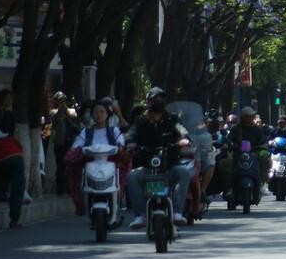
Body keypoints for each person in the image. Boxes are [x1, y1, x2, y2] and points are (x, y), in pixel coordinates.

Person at [125, 88, 193, 228]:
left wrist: (184, 139)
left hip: (169, 166)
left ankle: (177, 212)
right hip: (147, 167)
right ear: (148, 102)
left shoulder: (171, 118)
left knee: (184, 172)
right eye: (156, 99)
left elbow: (181, 129)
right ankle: (140, 215)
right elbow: (130, 134)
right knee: (131, 176)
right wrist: (130, 143)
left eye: (161, 99)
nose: (159, 102)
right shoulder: (140, 120)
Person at [66, 98, 128, 215]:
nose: (99, 115)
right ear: (92, 115)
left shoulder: (114, 131)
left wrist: (120, 148)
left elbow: (121, 144)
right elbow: (76, 146)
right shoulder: (86, 132)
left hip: (110, 164)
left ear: (107, 114)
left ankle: (117, 201)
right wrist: (75, 152)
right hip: (90, 164)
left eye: (101, 112)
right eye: (96, 112)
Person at [0, 128, 26, 228]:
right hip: (18, 159)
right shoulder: (12, 140)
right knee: (17, 190)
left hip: (2, 162)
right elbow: (21, 149)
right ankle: (14, 220)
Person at [50, 92, 78, 197]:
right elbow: (55, 119)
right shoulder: (54, 111)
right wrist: (61, 110)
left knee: (70, 166)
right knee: (60, 166)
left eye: (63, 100)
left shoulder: (69, 110)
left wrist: (66, 107)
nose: (62, 102)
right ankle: (60, 189)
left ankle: (70, 188)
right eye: (60, 100)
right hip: (60, 142)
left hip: (70, 141)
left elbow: (74, 116)